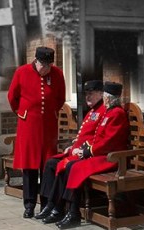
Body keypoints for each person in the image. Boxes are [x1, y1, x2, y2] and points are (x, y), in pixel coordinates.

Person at [43, 81, 129, 229]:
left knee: (73, 167)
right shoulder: (110, 112)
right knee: (70, 165)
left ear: (108, 98)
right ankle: (67, 209)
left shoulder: (117, 114)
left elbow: (109, 141)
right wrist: (84, 148)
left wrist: (87, 151)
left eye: (106, 97)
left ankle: (73, 212)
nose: (105, 100)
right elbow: (98, 138)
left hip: (111, 158)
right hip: (102, 155)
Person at [7, 46, 66, 218]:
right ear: (36, 61)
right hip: (28, 126)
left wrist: (52, 111)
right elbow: (12, 96)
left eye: (48, 66)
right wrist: (22, 112)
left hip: (48, 127)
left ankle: (47, 204)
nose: (45, 69)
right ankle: (29, 204)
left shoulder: (57, 73)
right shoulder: (22, 72)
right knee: (29, 167)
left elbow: (60, 97)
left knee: (47, 166)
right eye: (43, 65)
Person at [34, 79, 105, 222]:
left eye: (91, 93)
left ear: (101, 94)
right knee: (50, 163)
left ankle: (58, 207)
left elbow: (98, 138)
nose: (88, 97)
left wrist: (80, 149)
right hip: (77, 151)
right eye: (86, 94)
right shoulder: (93, 111)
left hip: (87, 155)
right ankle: (49, 203)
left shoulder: (103, 111)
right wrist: (73, 146)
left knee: (66, 166)